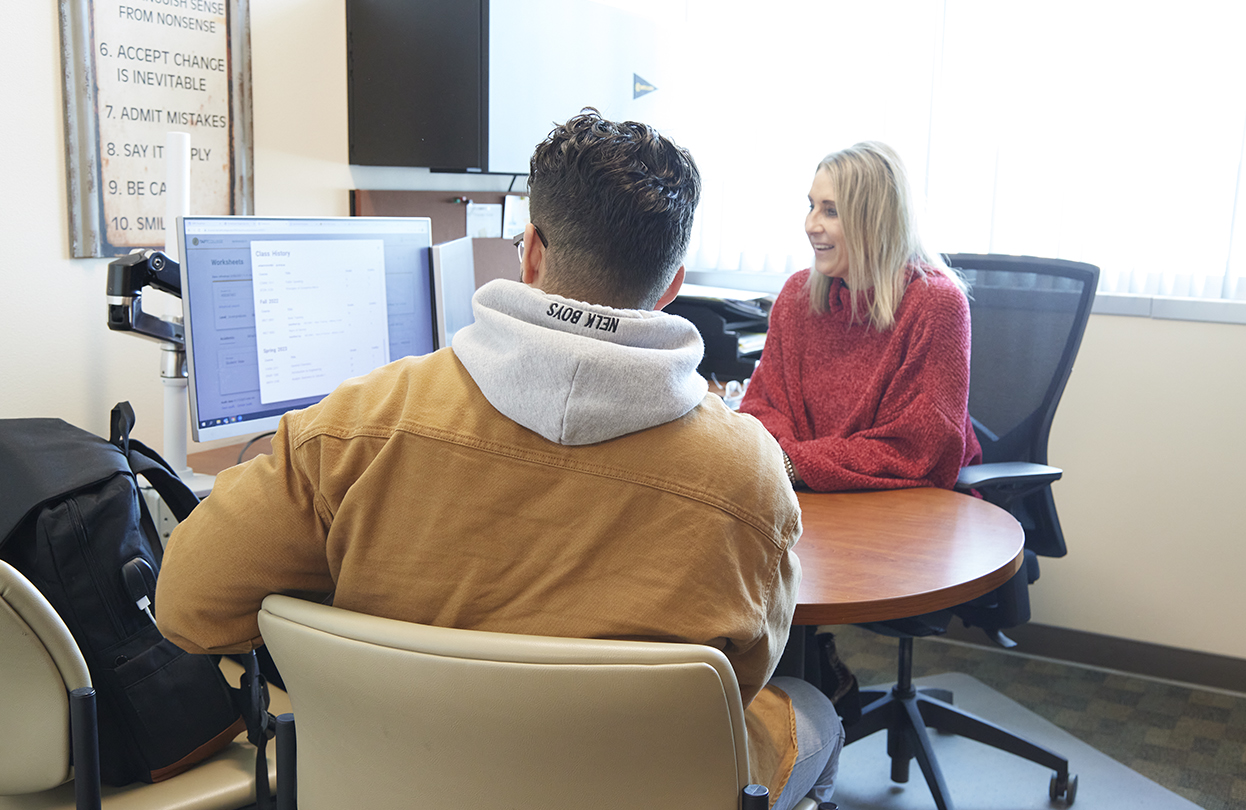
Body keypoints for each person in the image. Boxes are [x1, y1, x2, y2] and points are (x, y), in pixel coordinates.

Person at [155, 110, 841, 809]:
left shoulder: (354, 428)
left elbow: (187, 607)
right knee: (816, 713)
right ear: (671, 286)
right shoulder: (749, 477)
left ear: (532, 252)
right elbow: (741, 680)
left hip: (405, 784)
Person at [740, 141, 981, 492]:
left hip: (906, 509)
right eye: (811, 206)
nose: (810, 224)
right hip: (806, 498)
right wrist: (790, 464)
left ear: (875, 221)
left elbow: (917, 449)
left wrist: (796, 464)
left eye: (830, 211)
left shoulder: (936, 305)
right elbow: (760, 407)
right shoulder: (797, 296)